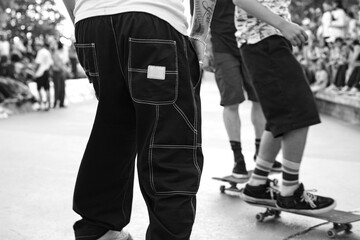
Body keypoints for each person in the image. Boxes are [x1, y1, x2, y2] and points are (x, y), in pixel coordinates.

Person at [61, 0, 216, 239]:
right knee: (169, 139)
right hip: (151, 19)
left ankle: (98, 230)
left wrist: (85, 21)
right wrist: (199, 34)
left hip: (89, 24)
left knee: (114, 128)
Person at [232, 0, 337, 214]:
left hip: (265, 40)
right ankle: (289, 191)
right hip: (263, 39)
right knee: (300, 111)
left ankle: (257, 184)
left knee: (281, 115)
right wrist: (283, 24)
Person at [208, 0, 281, 178]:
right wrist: (205, 45)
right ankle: (238, 158)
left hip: (250, 40)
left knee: (259, 99)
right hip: (222, 45)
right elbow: (201, 15)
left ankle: (260, 152)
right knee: (231, 101)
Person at [34, 42, 53, 111]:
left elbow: (38, 63)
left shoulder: (40, 52)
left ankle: (41, 104)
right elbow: (51, 63)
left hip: (40, 72)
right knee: (47, 88)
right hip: (46, 71)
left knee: (39, 89)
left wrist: (34, 71)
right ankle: (48, 104)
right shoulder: (47, 52)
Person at [51, 41, 67, 108]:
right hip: (57, 72)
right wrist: (64, 69)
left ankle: (61, 103)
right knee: (57, 87)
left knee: (62, 87)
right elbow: (57, 63)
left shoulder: (61, 52)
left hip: (61, 72)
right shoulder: (55, 53)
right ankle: (55, 103)